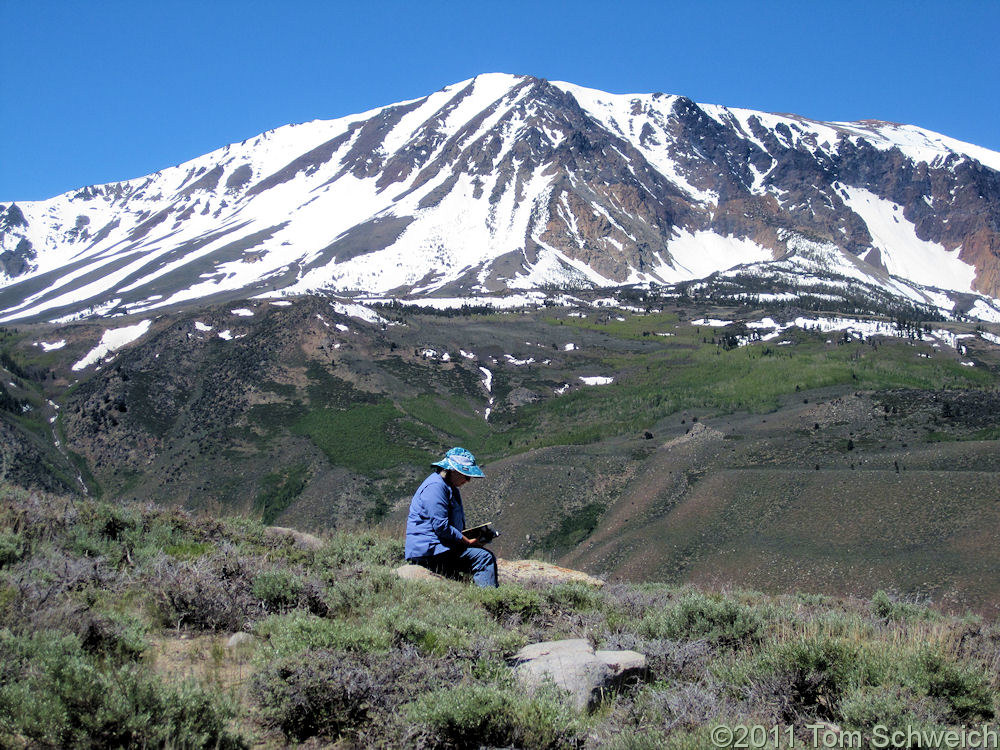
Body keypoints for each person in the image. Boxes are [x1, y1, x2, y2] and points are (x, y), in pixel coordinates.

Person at [405, 447, 498, 588]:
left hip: (440, 548)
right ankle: (490, 601)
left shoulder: (449, 487)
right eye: (466, 475)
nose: (468, 480)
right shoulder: (435, 487)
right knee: (484, 559)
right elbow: (441, 527)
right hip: (430, 551)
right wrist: (467, 542)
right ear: (453, 470)